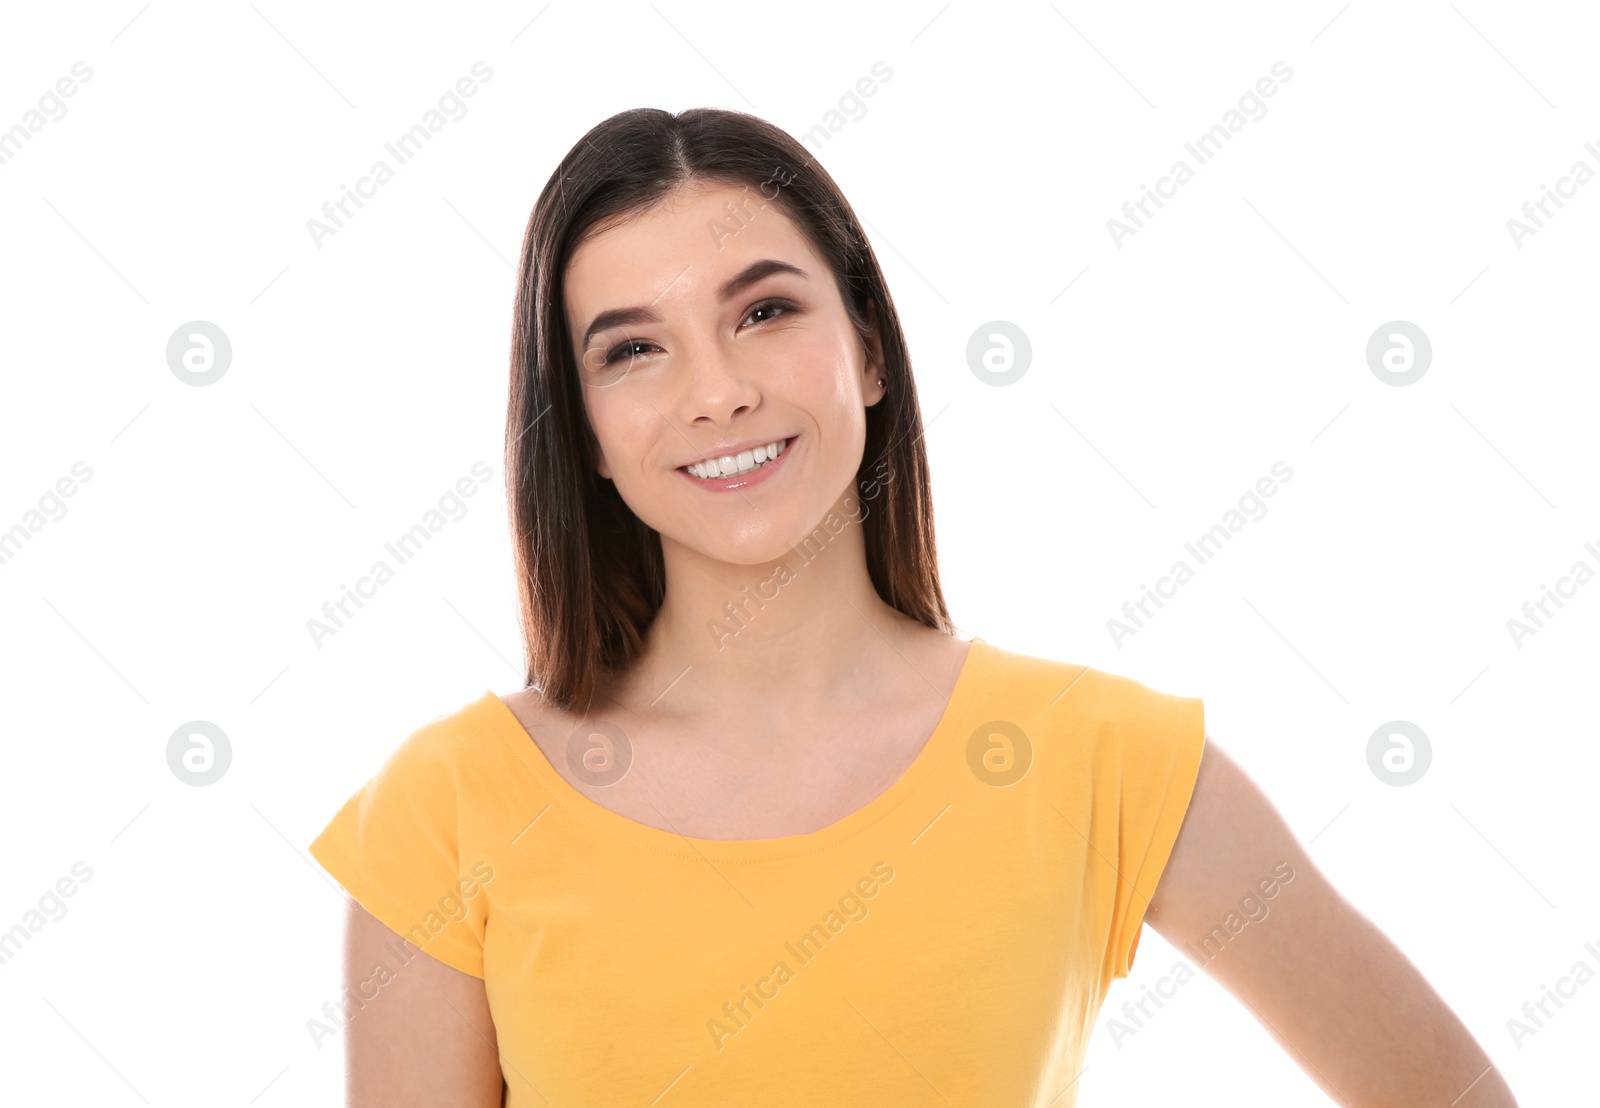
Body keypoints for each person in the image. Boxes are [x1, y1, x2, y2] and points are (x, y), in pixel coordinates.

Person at [308, 107, 1518, 1107]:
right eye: (633, 350)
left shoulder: (1102, 759)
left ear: (870, 351)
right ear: (583, 439)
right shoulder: (451, 804)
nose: (718, 392)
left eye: (765, 312)